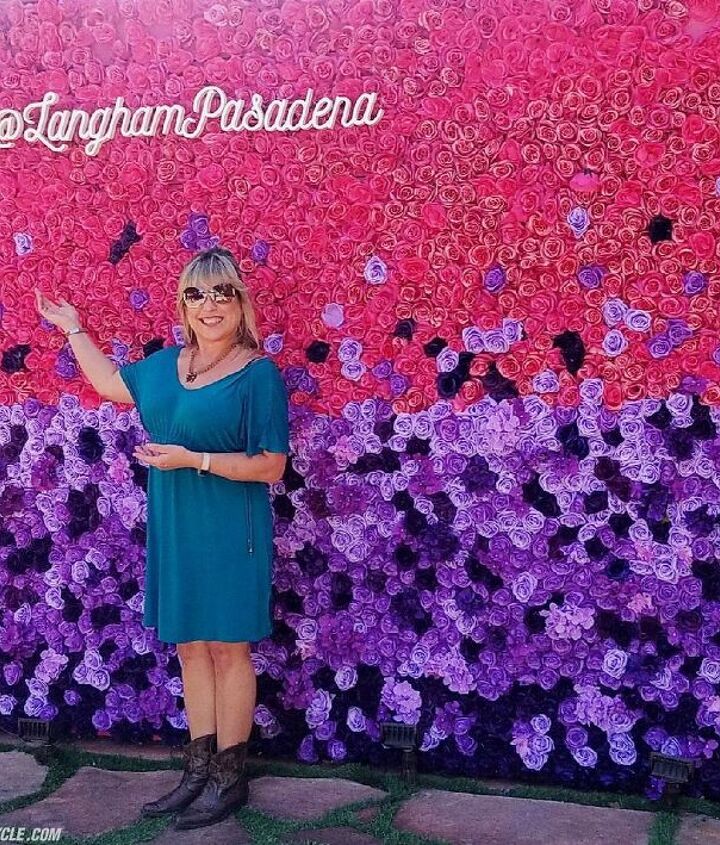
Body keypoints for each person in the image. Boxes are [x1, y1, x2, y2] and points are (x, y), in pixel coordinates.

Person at [34, 246, 290, 831]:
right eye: (196, 294)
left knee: (228, 649)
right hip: (177, 528)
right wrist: (74, 328)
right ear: (183, 304)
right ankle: (197, 771)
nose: (209, 305)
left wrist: (194, 459)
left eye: (221, 292)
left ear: (240, 302)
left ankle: (229, 778)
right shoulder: (167, 365)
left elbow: (271, 465)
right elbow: (110, 383)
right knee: (190, 647)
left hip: (231, 531)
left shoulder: (258, 375)